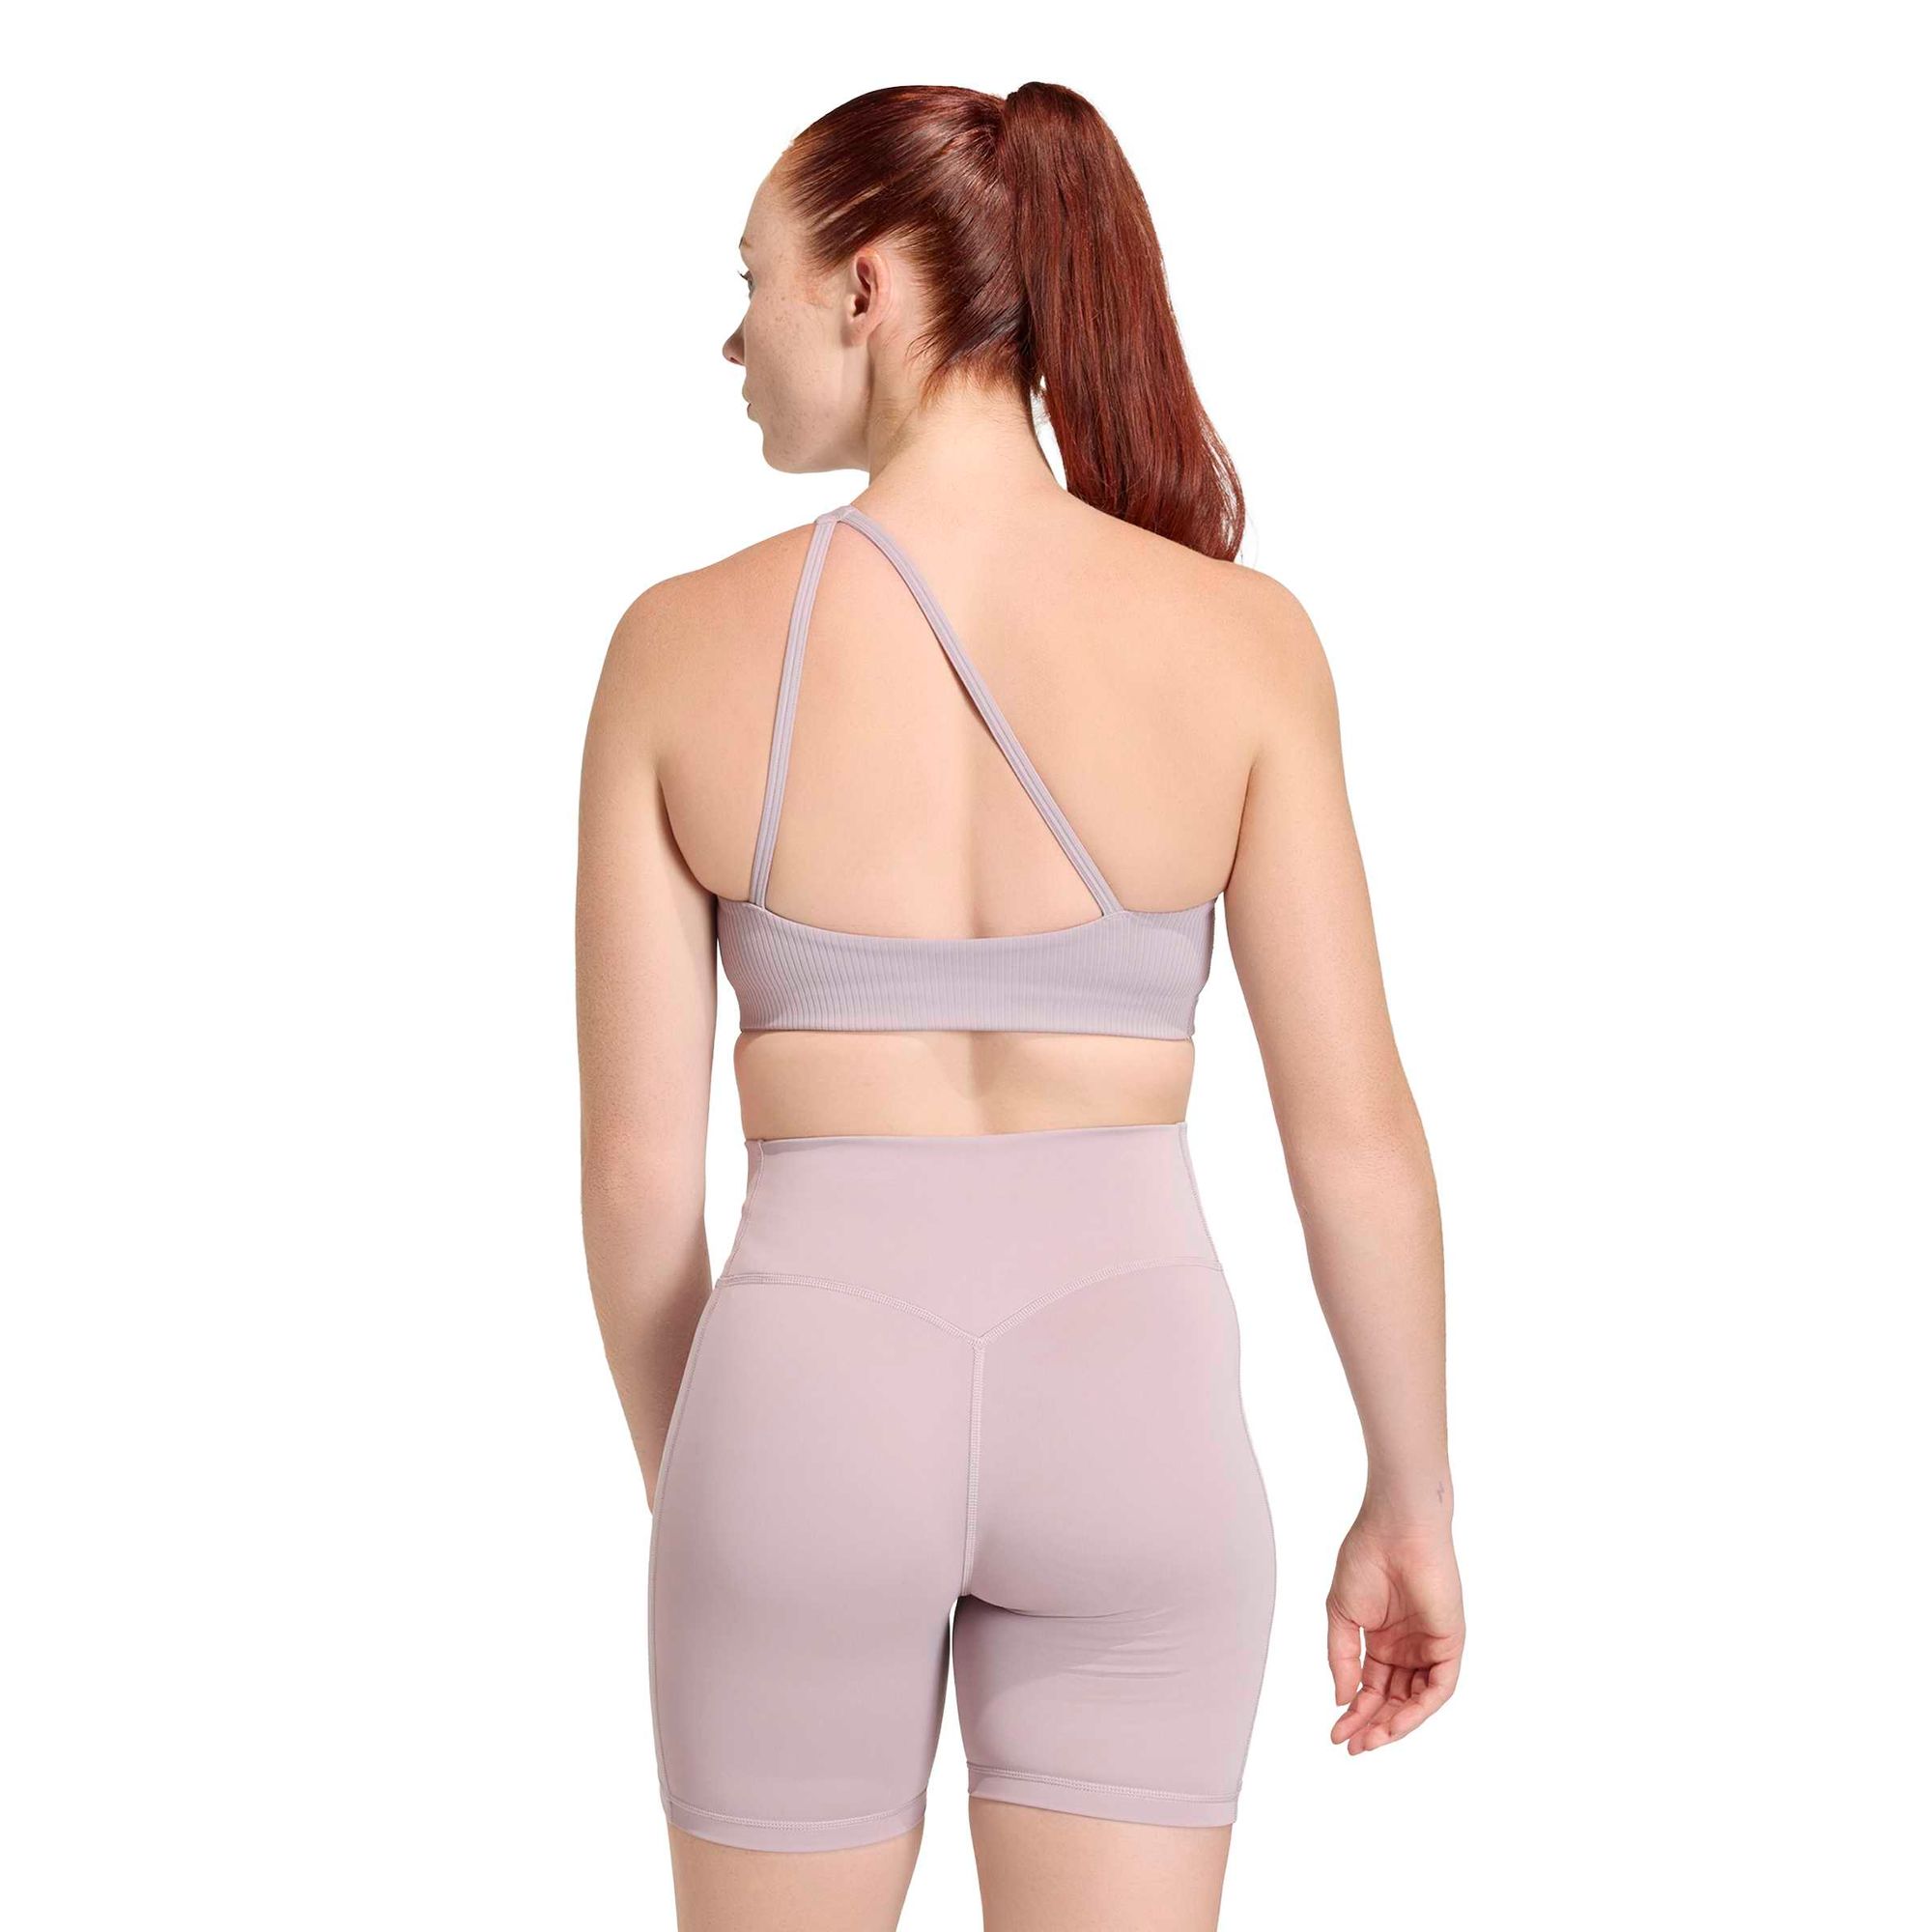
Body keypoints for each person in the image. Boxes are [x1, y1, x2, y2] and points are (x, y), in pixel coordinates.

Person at [576, 80, 1463, 1932]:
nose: (732, 342)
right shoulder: (1242, 643)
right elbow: (1356, 1137)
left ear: (865, 287)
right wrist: (1412, 1495)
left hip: (801, 1401)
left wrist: (740, 1501)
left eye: (749, 282)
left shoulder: (675, 649)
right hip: (1136, 1407)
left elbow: (639, 1188)